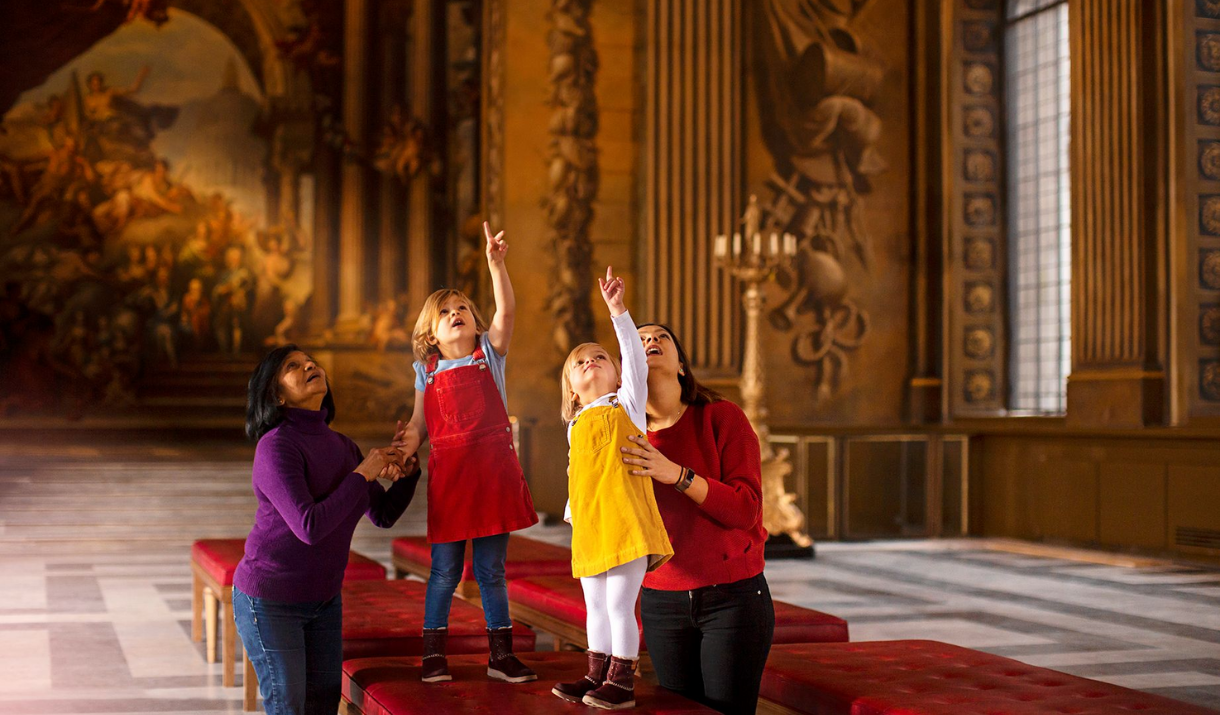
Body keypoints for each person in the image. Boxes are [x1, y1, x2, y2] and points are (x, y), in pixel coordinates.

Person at [233, 345, 420, 715]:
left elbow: (381, 515)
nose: (309, 366)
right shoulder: (276, 447)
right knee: (289, 706)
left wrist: (408, 475)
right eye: (292, 366)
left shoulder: (342, 446)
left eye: (310, 362)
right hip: (271, 601)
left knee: (322, 705)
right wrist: (363, 472)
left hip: (324, 599)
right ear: (277, 394)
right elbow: (309, 527)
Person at [391, 222, 538, 684]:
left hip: (493, 477)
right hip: (451, 482)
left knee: (492, 570)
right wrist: (405, 446)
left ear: (476, 324)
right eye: (445, 312)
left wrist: (497, 265)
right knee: (444, 572)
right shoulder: (426, 372)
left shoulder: (489, 356)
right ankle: (434, 655)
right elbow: (419, 424)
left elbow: (508, 312)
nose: (456, 313)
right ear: (432, 335)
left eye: (463, 309)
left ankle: (501, 655)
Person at [619, 323, 776, 715]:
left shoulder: (722, 417)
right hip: (661, 599)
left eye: (661, 338)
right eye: (638, 340)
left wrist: (677, 474)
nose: (650, 342)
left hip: (733, 598)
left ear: (682, 367)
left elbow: (745, 509)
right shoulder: (621, 436)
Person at [552, 267, 673, 709]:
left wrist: (618, 311)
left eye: (599, 357)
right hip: (591, 525)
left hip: (626, 521)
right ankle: (595, 675)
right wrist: (572, 512)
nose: (590, 362)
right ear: (570, 388)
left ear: (619, 373)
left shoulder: (627, 405)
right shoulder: (574, 425)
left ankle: (622, 681)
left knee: (621, 605)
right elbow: (576, 473)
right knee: (595, 607)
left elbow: (634, 358)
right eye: (580, 362)